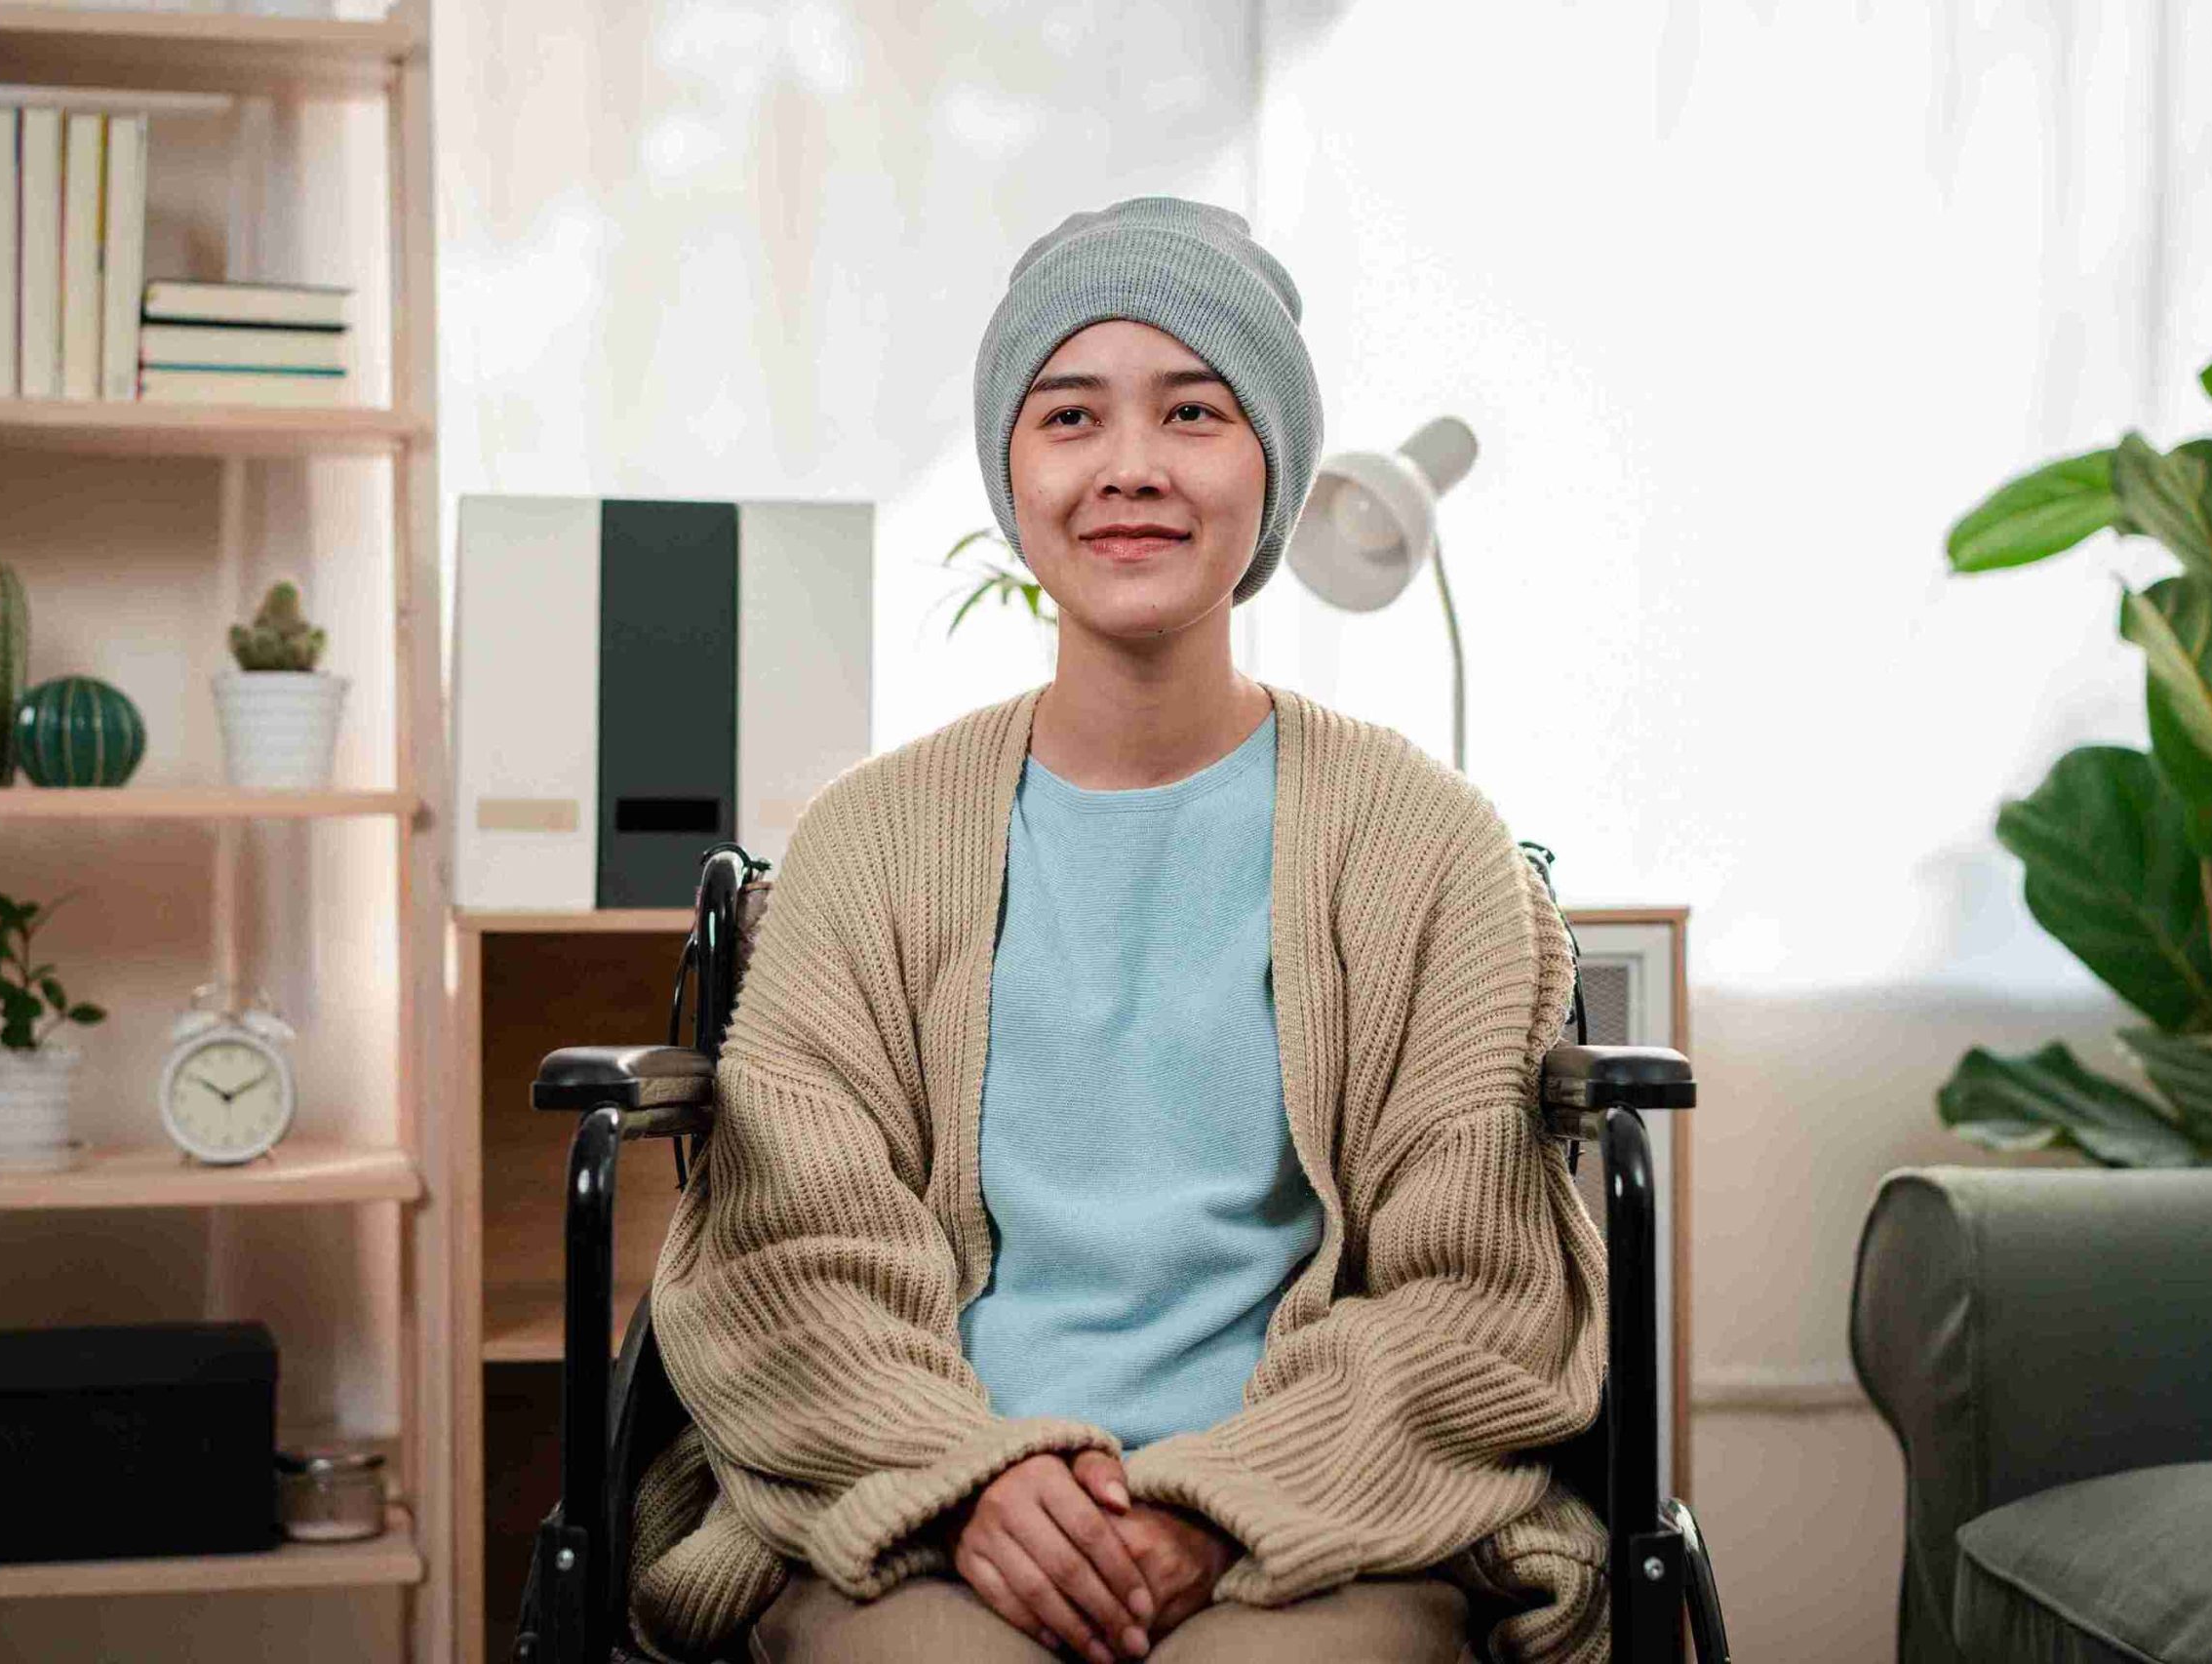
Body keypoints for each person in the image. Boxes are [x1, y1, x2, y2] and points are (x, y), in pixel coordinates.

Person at [624, 196, 1609, 1664]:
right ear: (1011, 472)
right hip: (927, 1513)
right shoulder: (867, 845)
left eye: (1194, 411)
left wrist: (1224, 1505)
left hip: (1319, 1528)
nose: (1131, 466)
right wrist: (968, 1479)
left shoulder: (1427, 848)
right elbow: (791, 1254)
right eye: (1071, 414)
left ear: (1272, 470)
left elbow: (1475, 1296)